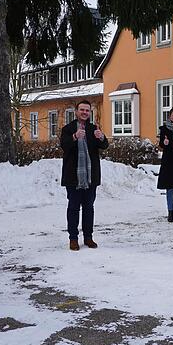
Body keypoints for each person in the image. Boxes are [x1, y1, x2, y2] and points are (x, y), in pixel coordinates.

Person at [60, 100, 109, 251]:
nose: (84, 113)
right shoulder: (68, 129)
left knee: (89, 207)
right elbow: (64, 145)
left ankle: (88, 237)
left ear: (90, 113)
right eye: (82, 110)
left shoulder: (93, 128)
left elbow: (104, 145)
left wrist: (101, 137)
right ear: (76, 111)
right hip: (73, 176)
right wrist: (74, 137)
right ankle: (73, 238)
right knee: (73, 208)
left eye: (87, 110)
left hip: (90, 177)